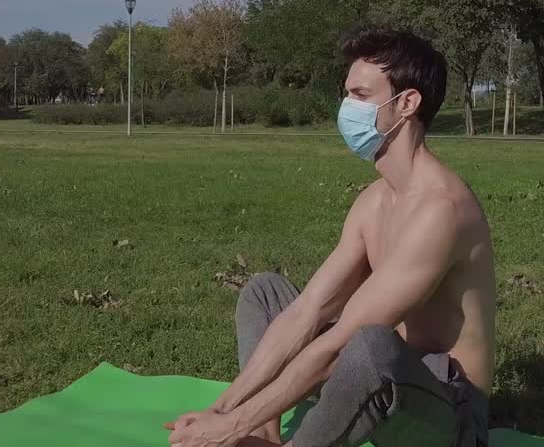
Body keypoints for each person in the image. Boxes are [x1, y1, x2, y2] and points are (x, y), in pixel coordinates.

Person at [166, 28, 496, 447]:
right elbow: (309, 311)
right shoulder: (375, 200)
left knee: (369, 345)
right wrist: (224, 409)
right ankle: (261, 433)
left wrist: (225, 428)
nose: (347, 108)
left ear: (407, 103)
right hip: (382, 376)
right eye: (347, 95)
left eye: (360, 95)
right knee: (267, 294)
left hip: (448, 413)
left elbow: (342, 346)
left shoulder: (442, 211)